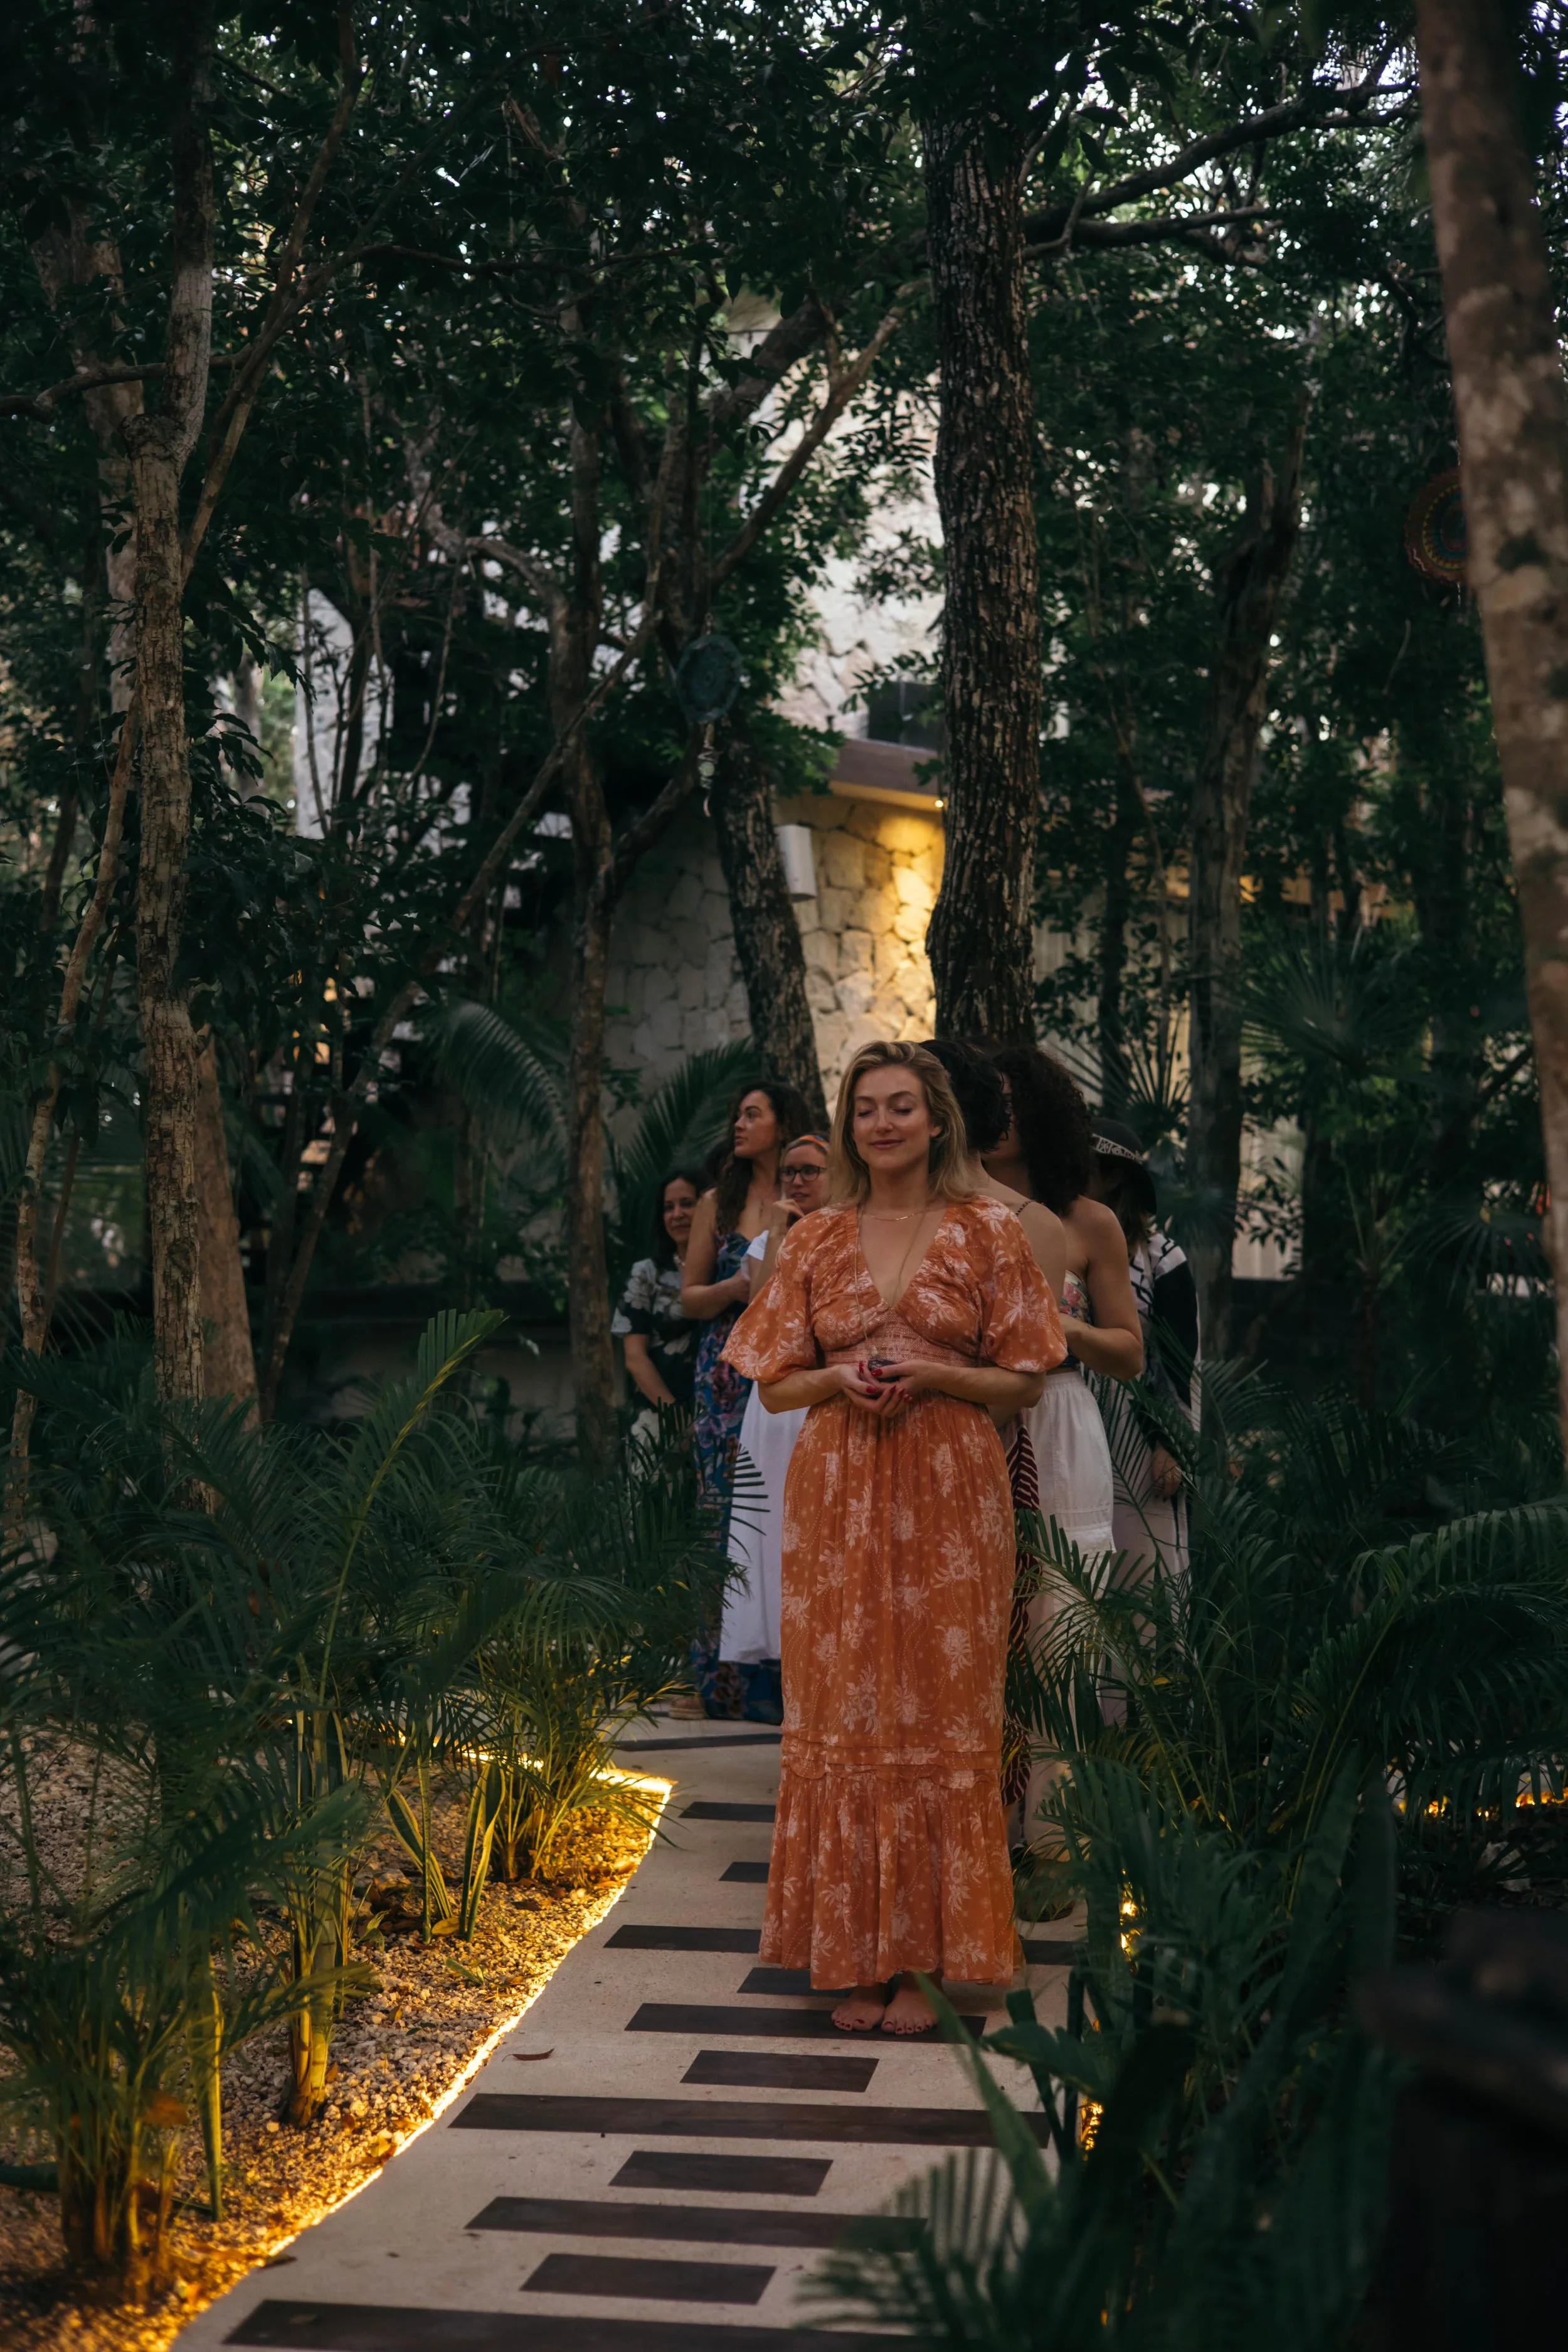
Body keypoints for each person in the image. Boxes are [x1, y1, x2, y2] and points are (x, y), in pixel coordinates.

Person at [723, 1041, 1065, 2033]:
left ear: (936, 1119)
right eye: (866, 1107)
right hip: (836, 1491)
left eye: (902, 1105)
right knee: (846, 1709)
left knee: (938, 1712)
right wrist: (839, 1378)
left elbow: (1027, 1376)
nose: (883, 1122)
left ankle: (926, 1962)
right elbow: (776, 1378)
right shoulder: (817, 1238)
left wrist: (940, 1374)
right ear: (848, 1124)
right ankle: (854, 1953)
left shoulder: (988, 1232)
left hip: (952, 1492)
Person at [982, 1046, 1141, 1854]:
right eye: (985, 1097)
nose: (997, 1111)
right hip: (962, 1419)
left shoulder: (1087, 1220)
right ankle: (972, 1841)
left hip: (1059, 1417)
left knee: (1060, 1627)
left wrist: (1057, 1326)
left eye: (1012, 1098)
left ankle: (1051, 1842)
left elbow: (1129, 1350)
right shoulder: (939, 1211)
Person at [680, 1076, 812, 1717]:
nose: (738, 1124)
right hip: (727, 1371)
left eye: (752, 1114)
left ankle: (794, 1668)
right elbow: (688, 1297)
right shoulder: (717, 1202)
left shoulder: (814, 1192)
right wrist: (738, 1290)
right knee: (726, 1514)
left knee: (787, 1507)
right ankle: (724, 1678)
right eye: (736, 1114)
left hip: (793, 1369)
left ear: (784, 1124)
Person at [719, 1133, 830, 1705]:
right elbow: (763, 1314)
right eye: (790, 1172)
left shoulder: (854, 1230)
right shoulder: (770, 1239)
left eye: (811, 1170)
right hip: (776, 1404)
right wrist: (783, 1235)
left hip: (828, 1399)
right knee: (772, 1535)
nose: (799, 1181)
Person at [1089, 1118, 1199, 1582]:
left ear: (1113, 1176)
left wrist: (1170, 1444)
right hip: (1074, 1412)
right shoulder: (1049, 1236)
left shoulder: (1159, 1257)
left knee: (1143, 1568)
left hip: (1140, 1425)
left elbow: (1181, 1357)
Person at [612, 1167, 702, 1436]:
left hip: (723, 1414)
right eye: (668, 1208)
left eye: (687, 1204)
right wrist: (677, 1418)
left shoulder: (727, 1269)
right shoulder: (647, 1274)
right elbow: (634, 1357)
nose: (677, 1215)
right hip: (657, 1418)